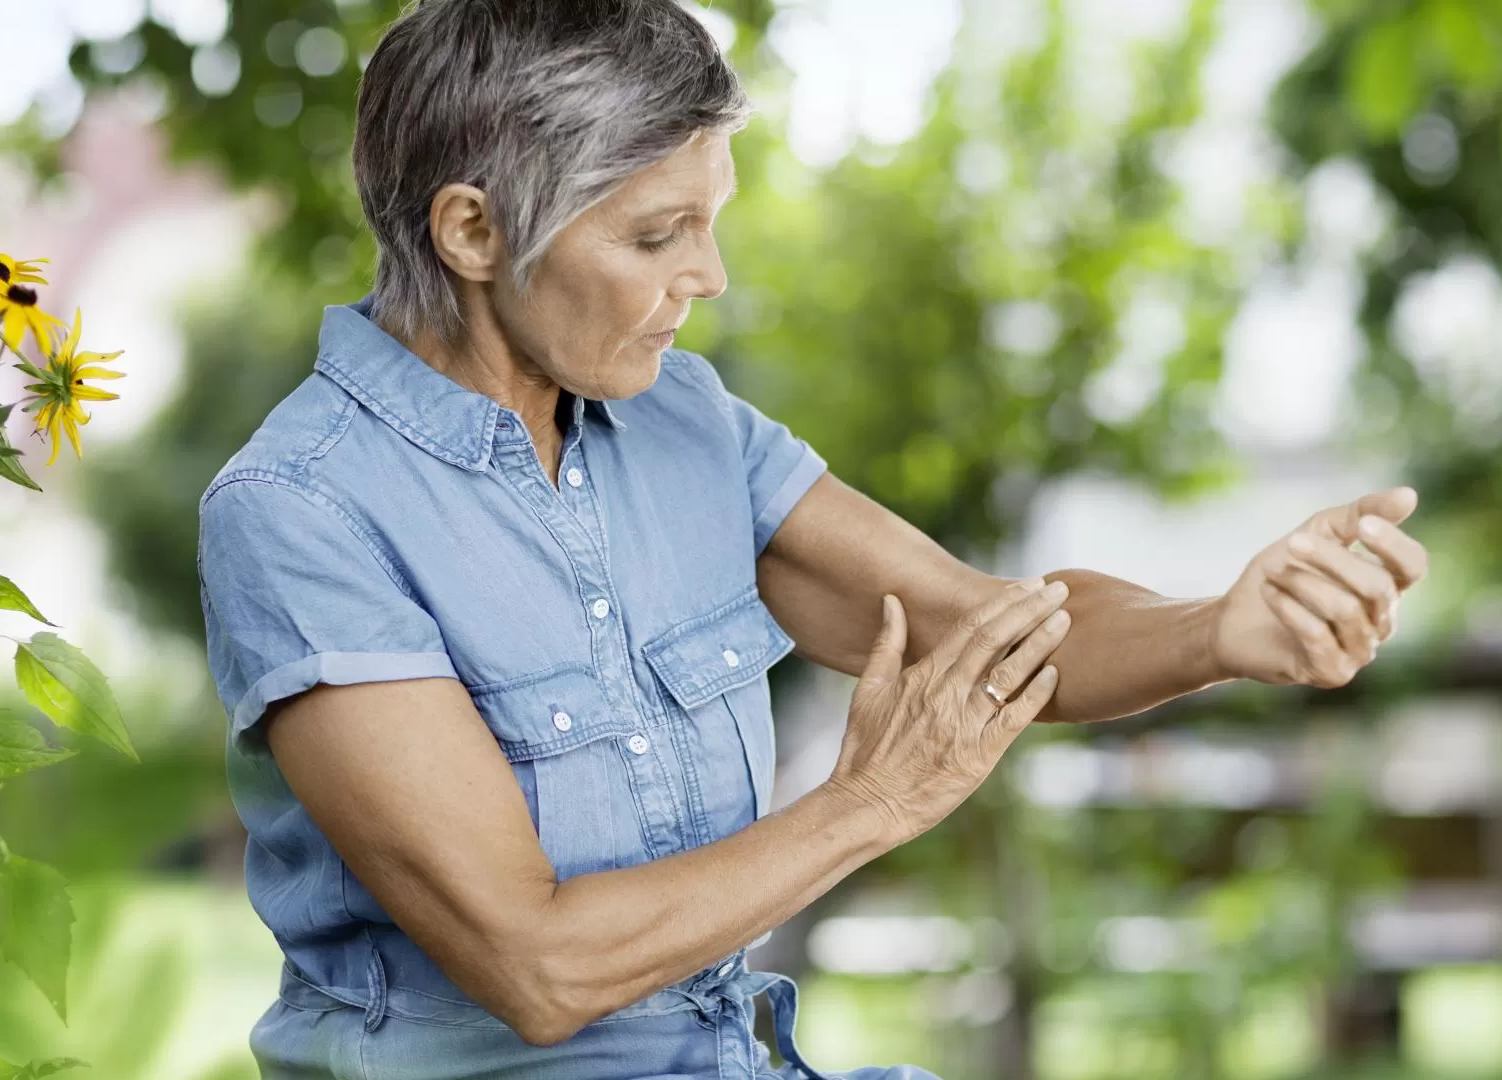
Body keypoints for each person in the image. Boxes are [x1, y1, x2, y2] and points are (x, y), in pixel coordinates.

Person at [194, 1, 1429, 1077]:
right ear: (472, 234)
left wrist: (1219, 625)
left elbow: (985, 629)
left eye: (710, 220)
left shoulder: (682, 424)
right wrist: (867, 803)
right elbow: (537, 968)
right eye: (654, 235)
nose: (711, 275)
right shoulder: (304, 512)